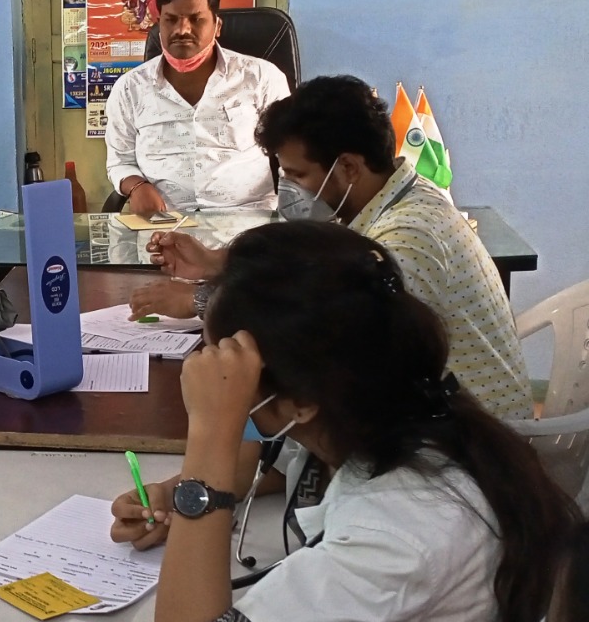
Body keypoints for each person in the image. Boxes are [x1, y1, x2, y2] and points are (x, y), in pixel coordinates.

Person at [111, 221, 578, 622]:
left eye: (225, 364)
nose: (211, 376)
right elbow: (271, 469)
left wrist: (209, 436)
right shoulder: (396, 417)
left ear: (301, 400)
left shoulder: (401, 532)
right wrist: (180, 497)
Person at [132, 75, 532, 418]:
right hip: (433, 416)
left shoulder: (407, 237)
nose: (287, 188)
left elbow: (327, 330)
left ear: (349, 167)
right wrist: (221, 264)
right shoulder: (390, 199)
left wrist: (203, 302)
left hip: (471, 441)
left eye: (296, 174)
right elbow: (316, 268)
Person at [105, 0, 290, 217]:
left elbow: (291, 154)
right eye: (171, 20)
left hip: (246, 223)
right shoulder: (129, 88)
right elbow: (120, 160)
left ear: (217, 25)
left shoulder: (261, 78)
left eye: (196, 19)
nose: (182, 30)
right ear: (159, 24)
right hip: (163, 224)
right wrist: (137, 187)